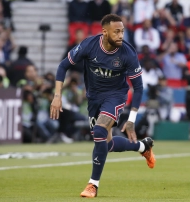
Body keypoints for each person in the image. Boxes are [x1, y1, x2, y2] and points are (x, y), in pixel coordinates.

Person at [50, 14, 156, 198]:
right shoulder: (89, 45)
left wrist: (131, 119)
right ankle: (142, 147)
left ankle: (93, 185)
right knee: (106, 144)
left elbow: (138, 88)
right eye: (116, 32)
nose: (121, 35)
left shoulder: (128, 53)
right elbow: (62, 66)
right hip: (93, 98)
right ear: (104, 32)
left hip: (115, 96)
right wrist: (57, 95)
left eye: (122, 31)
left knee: (99, 131)